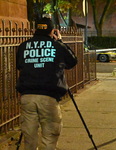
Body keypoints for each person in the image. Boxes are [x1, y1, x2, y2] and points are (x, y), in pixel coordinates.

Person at [16, 17, 77, 150]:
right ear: (52, 31)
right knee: (50, 135)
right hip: (49, 96)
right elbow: (72, 61)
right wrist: (60, 41)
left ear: (34, 30)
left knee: (29, 135)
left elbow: (19, 66)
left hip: (27, 96)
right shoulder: (57, 46)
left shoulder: (23, 46)